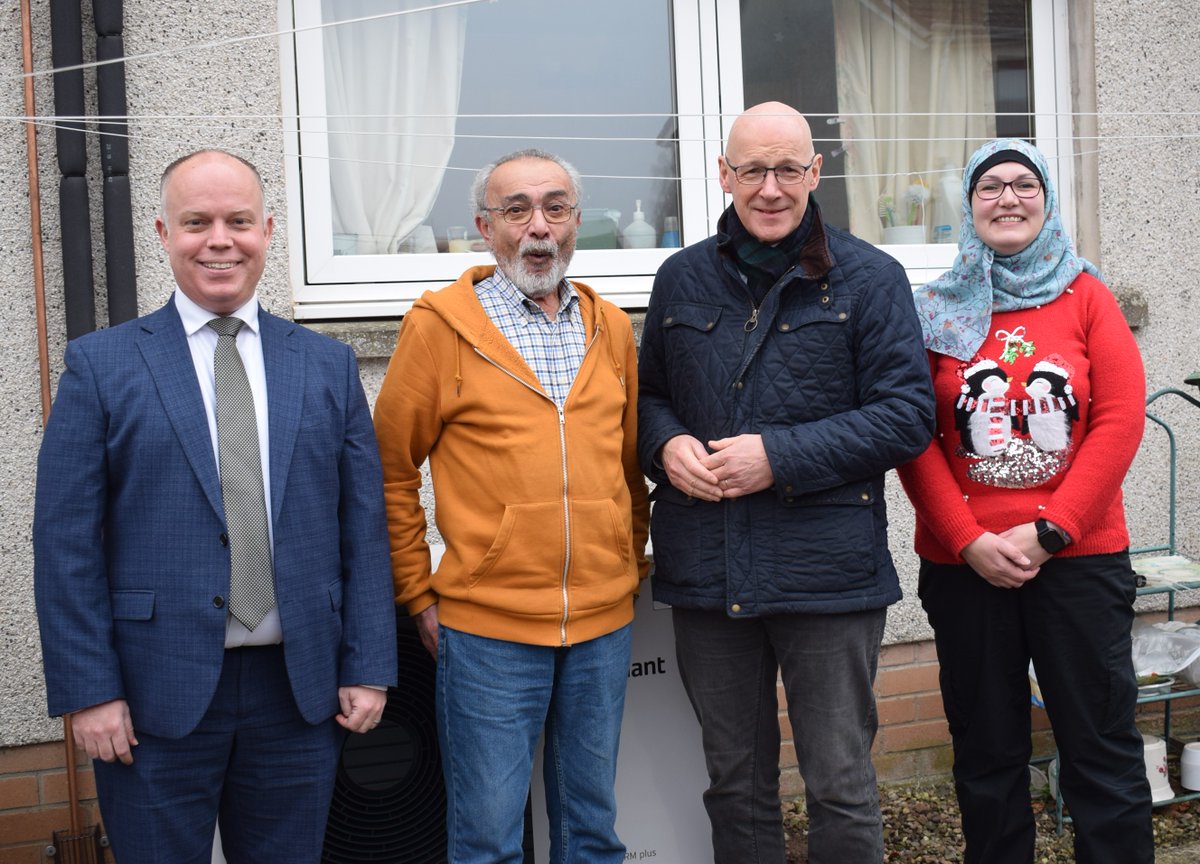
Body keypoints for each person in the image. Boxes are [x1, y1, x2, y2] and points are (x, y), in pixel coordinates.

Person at [33, 150, 398, 864]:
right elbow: (64, 542)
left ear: (267, 230)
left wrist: (368, 664)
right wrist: (90, 691)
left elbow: (363, 529)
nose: (219, 240)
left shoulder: (324, 365)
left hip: (299, 694)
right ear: (164, 232)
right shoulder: (101, 367)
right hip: (150, 696)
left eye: (238, 221)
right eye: (197, 222)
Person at [637, 101, 935, 863]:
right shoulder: (680, 277)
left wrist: (778, 455)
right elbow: (648, 399)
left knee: (839, 780)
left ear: (816, 171)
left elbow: (907, 416)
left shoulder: (872, 278)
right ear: (724, 174)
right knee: (734, 782)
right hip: (708, 570)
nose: (770, 189)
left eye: (788, 169)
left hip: (827, 573)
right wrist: (664, 444)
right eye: (752, 170)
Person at [373, 149, 650, 864]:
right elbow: (390, 472)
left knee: (592, 832)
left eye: (555, 208)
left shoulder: (611, 328)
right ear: (485, 227)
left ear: (577, 223)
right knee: (488, 840)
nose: (539, 227)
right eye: (516, 210)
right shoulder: (438, 330)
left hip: (599, 626)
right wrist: (416, 594)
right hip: (487, 633)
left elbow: (628, 463)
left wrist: (626, 562)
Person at [899, 137, 1152, 864]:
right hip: (965, 565)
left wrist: (1054, 530)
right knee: (986, 755)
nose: (1007, 198)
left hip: (1077, 562)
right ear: (967, 206)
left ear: (1046, 201)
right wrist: (964, 539)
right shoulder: (935, 311)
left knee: (1101, 749)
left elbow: (1120, 419)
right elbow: (913, 435)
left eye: (1024, 185)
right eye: (989, 187)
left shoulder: (1088, 296)